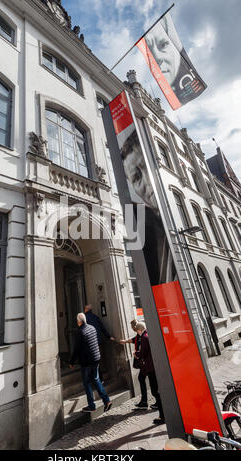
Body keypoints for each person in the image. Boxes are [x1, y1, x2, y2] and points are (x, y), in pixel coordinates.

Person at [121, 130, 176, 285]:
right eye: (137, 178)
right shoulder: (140, 225)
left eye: (145, 166)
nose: (147, 180)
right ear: (132, 185)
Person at [120, 321, 165, 425]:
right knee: (155, 389)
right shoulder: (147, 335)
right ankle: (161, 413)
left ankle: (162, 415)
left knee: (155, 391)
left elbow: (143, 353)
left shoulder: (144, 338)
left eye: (137, 330)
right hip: (151, 365)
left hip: (149, 366)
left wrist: (136, 354)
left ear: (139, 330)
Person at [69, 312, 113, 413]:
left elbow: (76, 349)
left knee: (87, 382)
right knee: (96, 379)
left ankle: (91, 406)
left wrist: (71, 361)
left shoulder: (80, 331)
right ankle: (106, 401)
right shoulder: (92, 328)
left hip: (87, 361)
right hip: (96, 358)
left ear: (79, 322)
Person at [85, 304, 115, 382]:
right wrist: (109, 337)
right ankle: (101, 378)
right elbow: (102, 328)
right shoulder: (95, 317)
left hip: (90, 344)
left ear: (86, 309)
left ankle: (96, 379)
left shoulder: (85, 318)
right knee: (99, 361)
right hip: (98, 342)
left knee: (92, 362)